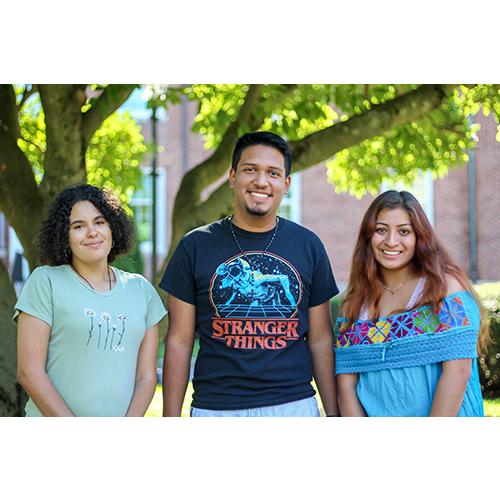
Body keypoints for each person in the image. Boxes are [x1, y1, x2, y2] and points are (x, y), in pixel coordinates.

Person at [160, 131, 339, 417]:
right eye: (250, 170)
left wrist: (335, 416)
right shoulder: (195, 246)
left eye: (273, 173)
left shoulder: (308, 246)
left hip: (292, 407)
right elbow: (179, 340)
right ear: (232, 177)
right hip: (216, 408)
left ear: (286, 183)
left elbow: (320, 339)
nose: (261, 181)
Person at [15, 184, 167, 416]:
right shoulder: (45, 282)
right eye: (78, 226)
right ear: (64, 236)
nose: (92, 232)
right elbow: (29, 371)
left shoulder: (141, 290)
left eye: (99, 222)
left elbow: (146, 377)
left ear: (112, 228)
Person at [335, 190, 490, 417]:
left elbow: (458, 371)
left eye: (404, 231)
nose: (391, 241)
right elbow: (346, 385)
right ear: (368, 237)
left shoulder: (444, 288)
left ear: (419, 237)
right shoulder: (356, 304)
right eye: (381, 230)